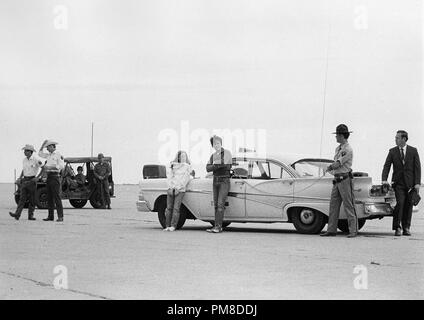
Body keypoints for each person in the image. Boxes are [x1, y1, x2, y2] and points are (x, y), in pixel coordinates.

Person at [320, 124, 358, 238]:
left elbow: (338, 163)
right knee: (333, 205)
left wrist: (329, 167)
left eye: (337, 135)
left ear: (342, 136)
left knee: (349, 205)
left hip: (345, 179)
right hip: (337, 180)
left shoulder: (347, 149)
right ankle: (331, 229)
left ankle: (353, 230)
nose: (336, 137)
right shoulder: (338, 148)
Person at [382, 130, 421, 236]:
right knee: (400, 203)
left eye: (397, 138)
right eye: (395, 138)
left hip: (410, 184)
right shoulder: (392, 151)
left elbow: (417, 168)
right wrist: (384, 179)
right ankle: (397, 228)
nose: (395, 139)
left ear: (404, 139)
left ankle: (406, 227)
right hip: (398, 183)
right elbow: (387, 166)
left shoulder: (413, 151)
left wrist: (417, 183)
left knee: (409, 205)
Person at [9, 144, 44, 221]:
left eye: (26, 151)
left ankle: (30, 216)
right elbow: (23, 170)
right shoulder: (24, 160)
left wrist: (37, 178)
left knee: (32, 199)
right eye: (25, 151)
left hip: (32, 181)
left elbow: (43, 168)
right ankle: (17, 214)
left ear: (30, 152)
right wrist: (19, 177)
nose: (24, 152)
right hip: (25, 180)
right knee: (22, 199)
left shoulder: (36, 159)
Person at [206, 135, 232, 233]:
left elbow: (226, 165)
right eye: (214, 144)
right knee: (216, 205)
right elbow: (207, 168)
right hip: (215, 181)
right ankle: (216, 226)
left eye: (217, 143)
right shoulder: (212, 156)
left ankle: (218, 227)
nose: (216, 145)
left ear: (221, 143)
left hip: (224, 181)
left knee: (220, 204)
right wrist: (217, 165)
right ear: (212, 145)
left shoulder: (227, 153)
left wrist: (214, 165)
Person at [163, 151, 192, 231]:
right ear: (178, 157)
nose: (183, 158)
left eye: (184, 157)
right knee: (168, 208)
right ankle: (167, 226)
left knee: (176, 208)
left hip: (180, 190)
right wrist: (170, 187)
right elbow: (169, 177)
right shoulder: (173, 166)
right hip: (171, 189)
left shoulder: (187, 167)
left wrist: (177, 188)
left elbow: (185, 179)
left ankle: (173, 226)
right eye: (182, 156)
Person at [39, 140, 65, 222]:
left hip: (55, 177)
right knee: (49, 198)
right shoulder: (48, 155)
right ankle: (50, 216)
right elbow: (40, 153)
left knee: (57, 197)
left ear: (52, 146)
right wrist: (43, 144)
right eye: (46, 147)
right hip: (49, 177)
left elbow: (61, 166)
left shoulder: (58, 154)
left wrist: (51, 167)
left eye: (48, 147)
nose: (47, 149)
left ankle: (60, 216)